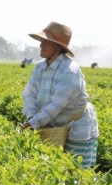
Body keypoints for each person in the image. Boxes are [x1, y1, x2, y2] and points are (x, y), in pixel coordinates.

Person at [21, 22, 99, 168]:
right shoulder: (40, 67)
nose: (40, 45)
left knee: (76, 172)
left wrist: (32, 124)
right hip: (54, 125)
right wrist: (31, 115)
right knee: (56, 168)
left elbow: (55, 106)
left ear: (57, 47)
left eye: (45, 42)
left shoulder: (70, 71)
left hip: (77, 126)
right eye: (41, 41)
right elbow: (29, 93)